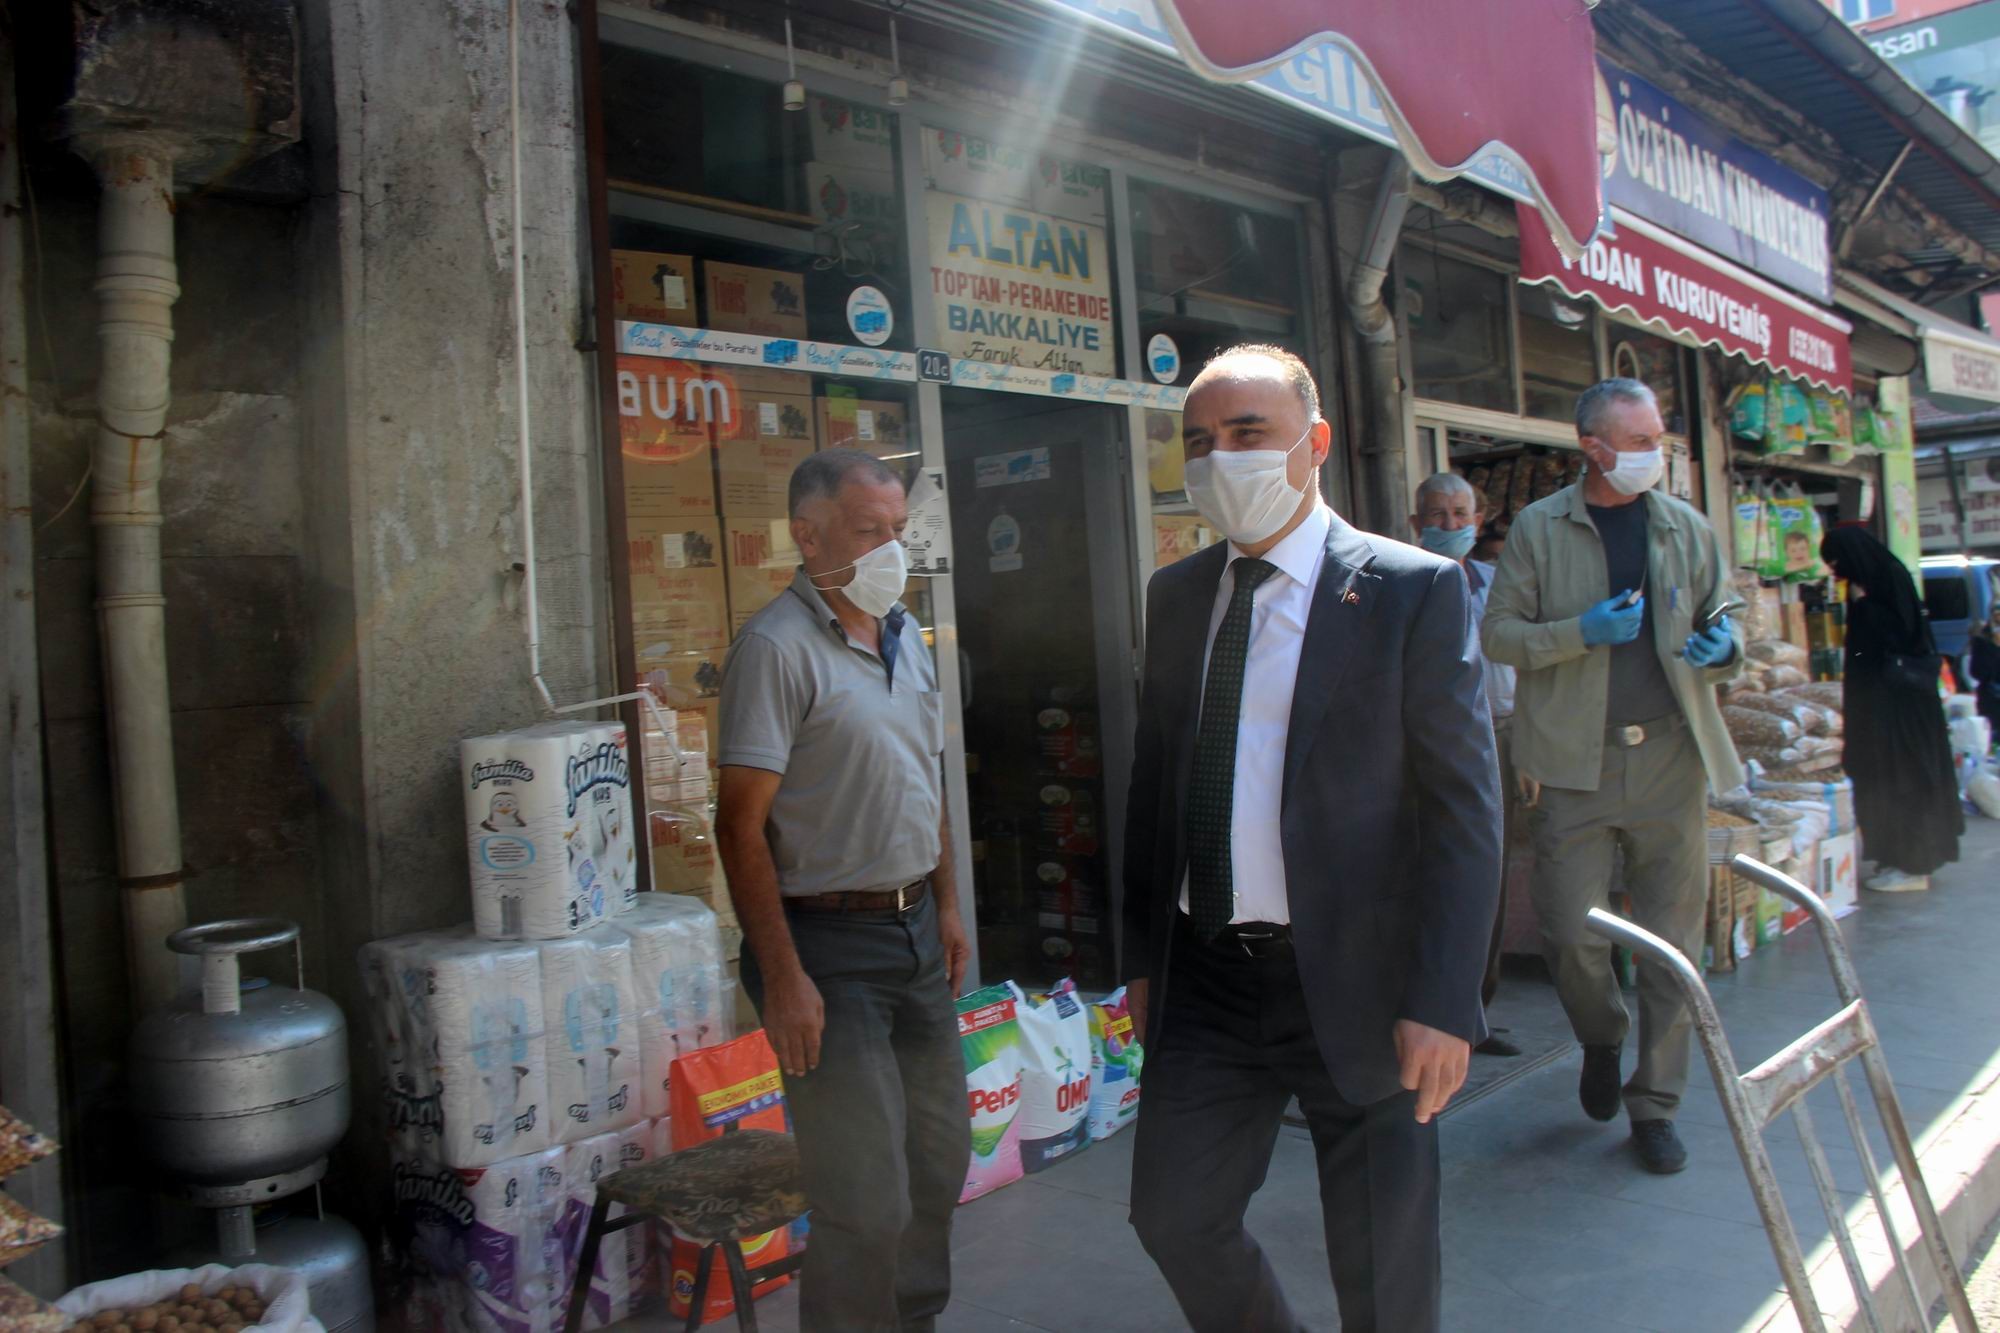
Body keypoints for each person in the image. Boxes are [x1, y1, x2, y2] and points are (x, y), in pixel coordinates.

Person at [1124, 344, 1501, 1333]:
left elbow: (1464, 809)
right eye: (1199, 442)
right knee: (1172, 1215)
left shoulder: (1409, 591)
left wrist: (1442, 997)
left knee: (1381, 1263)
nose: (1221, 459)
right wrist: (1139, 956)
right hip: (1205, 976)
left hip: (1360, 979)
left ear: (1314, 442)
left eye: (1248, 432)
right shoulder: (1176, 597)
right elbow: (1155, 785)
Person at [714, 449, 971, 1332]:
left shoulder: (904, 635)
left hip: (913, 939)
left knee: (937, 1166)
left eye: (897, 531)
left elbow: (923, 779)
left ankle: (916, 1320)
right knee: (866, 1197)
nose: (889, 548)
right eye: (869, 531)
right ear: (807, 533)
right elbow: (739, 826)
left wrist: (943, 903)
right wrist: (783, 977)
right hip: (826, 948)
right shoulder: (775, 649)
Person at [1482, 377, 1743, 1177]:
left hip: (1670, 756)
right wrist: (1579, 632)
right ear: (1592, 447)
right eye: (1637, 442)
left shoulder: (1685, 526)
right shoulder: (1539, 528)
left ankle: (1655, 1104)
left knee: (1672, 944)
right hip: (1573, 762)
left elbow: (1726, 612)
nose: (1652, 453)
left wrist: (1722, 647)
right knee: (1570, 932)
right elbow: (1499, 633)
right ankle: (1601, 1035)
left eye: (1657, 437)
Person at [1411, 471, 1519, 1058]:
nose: (1448, 526)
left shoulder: (1500, 586)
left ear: (1477, 523)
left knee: (1487, 877)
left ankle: (1476, 1010)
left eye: (1460, 515)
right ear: (1414, 523)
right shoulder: (1390, 582)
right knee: (1430, 874)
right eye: (1436, 515)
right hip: (1426, 746)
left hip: (1500, 738)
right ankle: (1433, 1005)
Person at [1821, 525, 1963, 892]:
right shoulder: (1879, 583)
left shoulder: (1883, 589)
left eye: (1836, 561)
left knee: (1904, 782)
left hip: (1900, 714)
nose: (1835, 571)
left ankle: (1914, 864)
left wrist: (1863, 606)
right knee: (1884, 780)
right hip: (1885, 712)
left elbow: (1891, 642)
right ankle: (1896, 857)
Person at [1969, 602, 2000, 750]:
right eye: (1997, 615)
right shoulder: (1982, 640)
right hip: (1990, 698)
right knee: (1990, 739)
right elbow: (1975, 671)